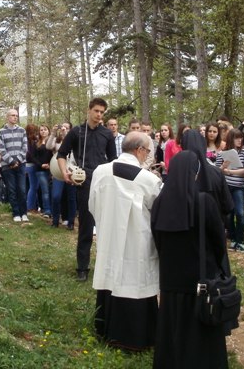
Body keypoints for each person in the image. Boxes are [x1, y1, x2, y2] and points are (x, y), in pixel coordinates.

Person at [151, 150, 229, 368]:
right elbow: (218, 242)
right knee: (200, 330)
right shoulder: (204, 202)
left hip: (170, 279)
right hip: (200, 278)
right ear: (195, 174)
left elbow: (157, 239)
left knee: (171, 326)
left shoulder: (159, 204)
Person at [89, 131, 162, 351]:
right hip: (136, 241)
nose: (147, 156)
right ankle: (134, 337)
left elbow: (92, 205)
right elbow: (159, 213)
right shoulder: (149, 180)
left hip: (108, 237)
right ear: (139, 150)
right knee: (135, 280)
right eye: (148, 151)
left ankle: (105, 329)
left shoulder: (100, 172)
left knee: (110, 277)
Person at [57, 97, 117, 281]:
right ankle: (82, 268)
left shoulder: (107, 134)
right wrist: (65, 172)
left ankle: (107, 267)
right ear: (89, 110)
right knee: (85, 225)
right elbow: (61, 154)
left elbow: (113, 159)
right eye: (96, 111)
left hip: (103, 181)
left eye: (102, 112)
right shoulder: (76, 132)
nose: (99, 115)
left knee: (107, 226)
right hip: (83, 182)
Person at [215, 129, 244, 252]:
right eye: (236, 138)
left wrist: (229, 171)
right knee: (228, 214)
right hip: (226, 186)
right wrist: (223, 167)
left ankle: (240, 240)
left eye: (241, 137)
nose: (239, 140)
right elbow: (217, 171)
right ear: (231, 139)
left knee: (240, 213)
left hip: (239, 186)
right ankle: (233, 239)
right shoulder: (222, 153)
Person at [0, 108, 28, 222]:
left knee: (22, 189)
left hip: (21, 164)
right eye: (13, 115)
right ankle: (16, 213)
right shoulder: (1, 132)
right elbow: (1, 149)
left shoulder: (22, 131)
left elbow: (25, 147)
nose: (15, 117)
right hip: (7, 166)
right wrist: (11, 161)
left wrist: (18, 161)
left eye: (16, 115)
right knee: (12, 190)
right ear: (7, 117)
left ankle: (23, 213)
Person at [47, 122, 77, 229]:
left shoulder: (75, 140)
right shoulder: (57, 141)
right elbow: (48, 146)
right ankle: (55, 221)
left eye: (67, 128)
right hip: (57, 172)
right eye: (63, 127)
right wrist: (53, 133)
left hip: (71, 171)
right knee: (56, 196)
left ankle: (71, 222)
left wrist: (66, 135)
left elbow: (71, 148)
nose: (64, 129)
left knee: (71, 198)